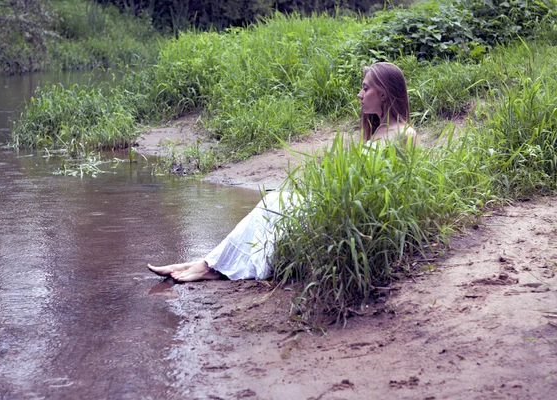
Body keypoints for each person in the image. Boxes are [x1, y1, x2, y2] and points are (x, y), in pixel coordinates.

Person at [147, 62, 417, 282]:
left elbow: (400, 190)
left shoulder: (405, 134)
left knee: (273, 202)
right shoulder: (376, 132)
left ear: (382, 93)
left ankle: (208, 266)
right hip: (346, 208)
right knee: (273, 201)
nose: (359, 94)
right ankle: (206, 263)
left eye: (365, 88)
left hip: (364, 219)